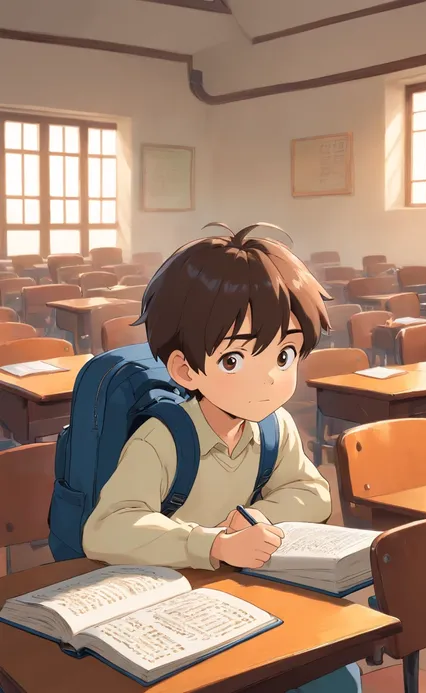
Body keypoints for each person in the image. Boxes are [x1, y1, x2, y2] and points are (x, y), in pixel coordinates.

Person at [82, 224, 361, 692]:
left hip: (244, 595)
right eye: (234, 359)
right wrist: (212, 544)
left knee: (336, 679)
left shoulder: (273, 426)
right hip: (166, 606)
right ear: (186, 368)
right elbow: (106, 528)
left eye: (285, 354)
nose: (269, 379)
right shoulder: (163, 439)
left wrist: (254, 518)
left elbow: (311, 491)